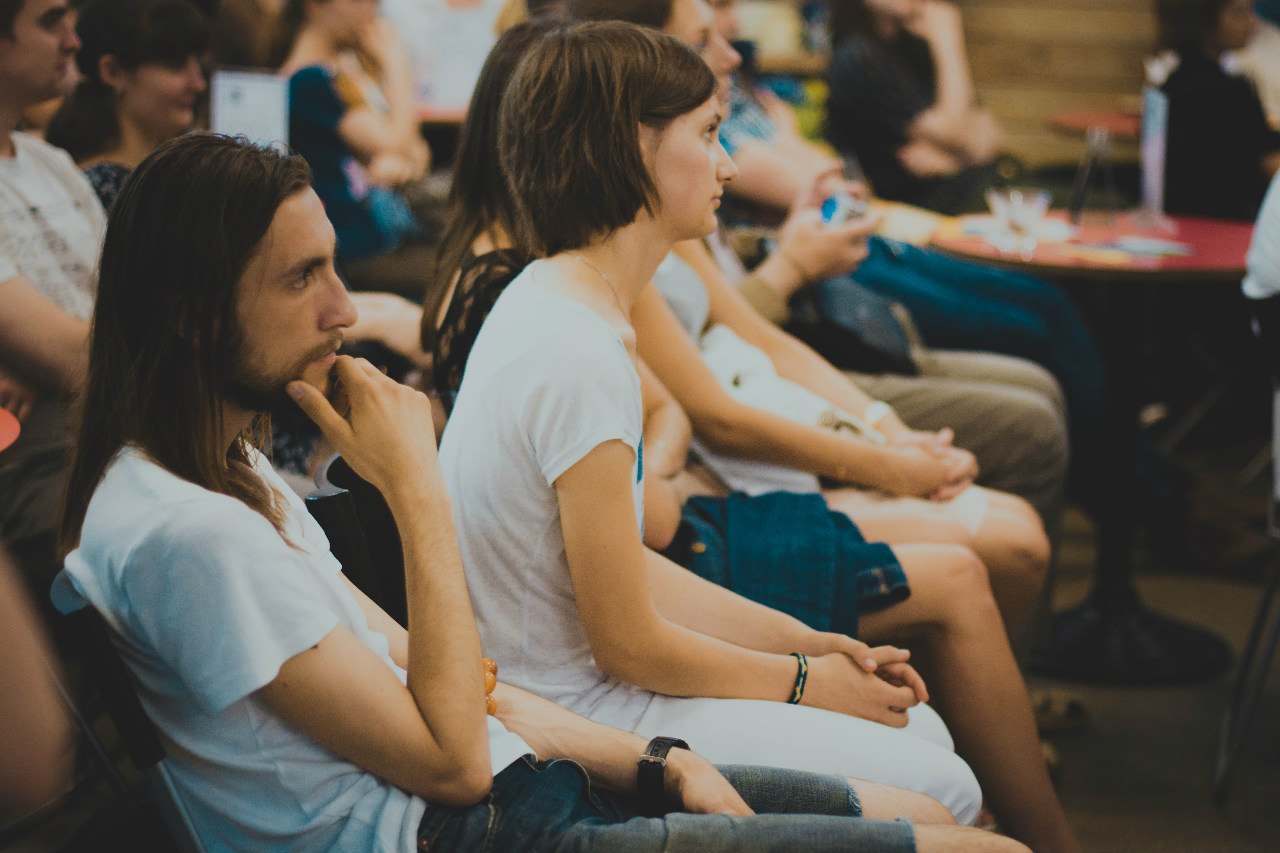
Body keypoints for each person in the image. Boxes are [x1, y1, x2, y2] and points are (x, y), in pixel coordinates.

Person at [54, 131, 1025, 853]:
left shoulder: (227, 475)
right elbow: (450, 762)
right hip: (481, 826)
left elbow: (454, 684)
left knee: (940, 812)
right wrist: (414, 492)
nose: (343, 310)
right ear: (189, 316)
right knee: (975, 843)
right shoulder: (188, 537)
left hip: (534, 781)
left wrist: (659, 763)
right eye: (301, 277)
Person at [438, 22, 1084, 852]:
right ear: (630, 149)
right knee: (945, 776)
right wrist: (807, 683)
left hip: (581, 682)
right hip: (574, 715)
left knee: (925, 740)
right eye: (707, 135)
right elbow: (626, 640)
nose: (730, 163)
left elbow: (625, 568)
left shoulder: (560, 295)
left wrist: (809, 643)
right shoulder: (576, 346)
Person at [0, 0, 102, 596]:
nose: (73, 40)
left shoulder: (53, 164)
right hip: (38, 463)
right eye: (50, 21)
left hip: (117, 436)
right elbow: (76, 357)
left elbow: (141, 314)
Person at [271, 0, 435, 297]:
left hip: (383, 234)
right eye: (360, 1)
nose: (372, 10)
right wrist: (397, 63)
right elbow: (399, 140)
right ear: (315, 6)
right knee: (460, 275)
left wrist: (402, 158)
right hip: (357, 248)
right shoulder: (307, 81)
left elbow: (417, 149)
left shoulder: (344, 70)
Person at [824, 0, 1002, 214]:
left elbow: (992, 135)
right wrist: (948, 43)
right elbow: (955, 132)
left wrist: (951, 161)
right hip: (919, 215)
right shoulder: (857, 56)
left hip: (970, 195)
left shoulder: (907, 44)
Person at [45, 0, 210, 211]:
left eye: (198, 64)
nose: (198, 84)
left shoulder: (166, 176)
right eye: (175, 64)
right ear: (113, 71)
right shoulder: (99, 191)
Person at [1157, 0, 1280, 221]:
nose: (1252, 22)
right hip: (1231, 226)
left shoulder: (1169, 86)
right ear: (1206, 21)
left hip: (1177, 222)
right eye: (1240, 13)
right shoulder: (1232, 91)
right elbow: (1271, 166)